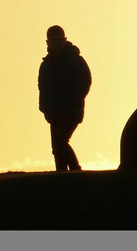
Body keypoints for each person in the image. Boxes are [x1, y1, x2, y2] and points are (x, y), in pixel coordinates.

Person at [38, 25, 92, 172]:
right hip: (53, 112)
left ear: (65, 39)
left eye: (59, 39)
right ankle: (62, 176)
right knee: (56, 148)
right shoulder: (45, 65)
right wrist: (44, 107)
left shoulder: (76, 60)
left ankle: (75, 170)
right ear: (48, 42)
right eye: (53, 39)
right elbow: (42, 87)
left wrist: (75, 99)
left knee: (60, 142)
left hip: (71, 110)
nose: (56, 42)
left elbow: (85, 81)